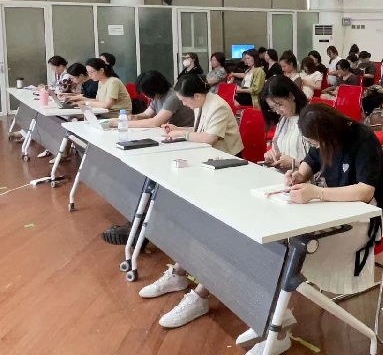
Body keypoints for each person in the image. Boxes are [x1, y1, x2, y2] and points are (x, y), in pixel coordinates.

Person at [236, 103, 383, 355]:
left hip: (366, 219)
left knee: (293, 250)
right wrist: (298, 175)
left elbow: (365, 192)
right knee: (279, 243)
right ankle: (275, 319)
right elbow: (312, 161)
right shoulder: (325, 139)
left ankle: (277, 330)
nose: (315, 146)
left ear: (328, 133)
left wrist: (317, 193)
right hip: (336, 211)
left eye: (316, 142)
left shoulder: (363, 139)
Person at [143, 75, 243, 331]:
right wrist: (178, 130)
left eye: (185, 101)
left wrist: (181, 133)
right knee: (190, 217)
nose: (184, 105)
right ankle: (179, 272)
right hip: (208, 162)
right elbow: (199, 133)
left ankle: (194, 288)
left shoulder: (217, 106)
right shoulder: (203, 104)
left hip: (227, 166)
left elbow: (208, 138)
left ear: (197, 96)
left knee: (207, 225)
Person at [109, 70, 195, 129]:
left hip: (181, 134)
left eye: (147, 93)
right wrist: (135, 117)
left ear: (155, 89)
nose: (146, 96)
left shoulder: (173, 97)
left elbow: (155, 123)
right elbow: (146, 114)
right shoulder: (157, 97)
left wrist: (122, 123)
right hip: (169, 132)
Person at [260, 75, 309, 170]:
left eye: (280, 105)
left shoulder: (311, 120)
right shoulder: (283, 120)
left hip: (302, 176)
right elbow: (278, 149)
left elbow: (323, 163)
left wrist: (294, 163)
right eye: (273, 108)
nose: (278, 111)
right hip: (283, 174)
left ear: (291, 96)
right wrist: (272, 156)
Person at [66, 58, 132, 117]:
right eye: (88, 72)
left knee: (77, 119)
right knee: (74, 118)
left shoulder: (113, 82)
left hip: (118, 116)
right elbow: (98, 101)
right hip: (105, 114)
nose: (89, 75)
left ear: (101, 70)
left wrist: (84, 103)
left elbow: (107, 105)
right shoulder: (100, 82)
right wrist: (80, 102)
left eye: (91, 72)